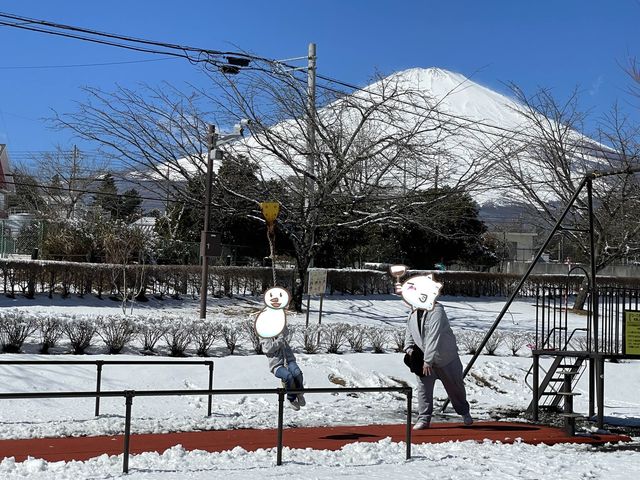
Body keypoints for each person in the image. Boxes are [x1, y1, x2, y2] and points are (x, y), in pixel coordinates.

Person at [404, 302, 472, 430]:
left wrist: (428, 360)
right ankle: (424, 418)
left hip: (446, 358)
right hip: (425, 359)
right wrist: (409, 350)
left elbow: (433, 336)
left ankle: (464, 412)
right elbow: (410, 333)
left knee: (455, 388)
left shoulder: (437, 311)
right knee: (423, 389)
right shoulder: (412, 313)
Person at [262, 327, 305, 410]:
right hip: (277, 365)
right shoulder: (264, 336)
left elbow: (286, 331)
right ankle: (291, 398)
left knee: (297, 373)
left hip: (289, 361)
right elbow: (269, 348)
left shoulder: (277, 329)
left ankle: (299, 393)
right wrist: (280, 339)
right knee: (288, 376)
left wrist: (282, 324)